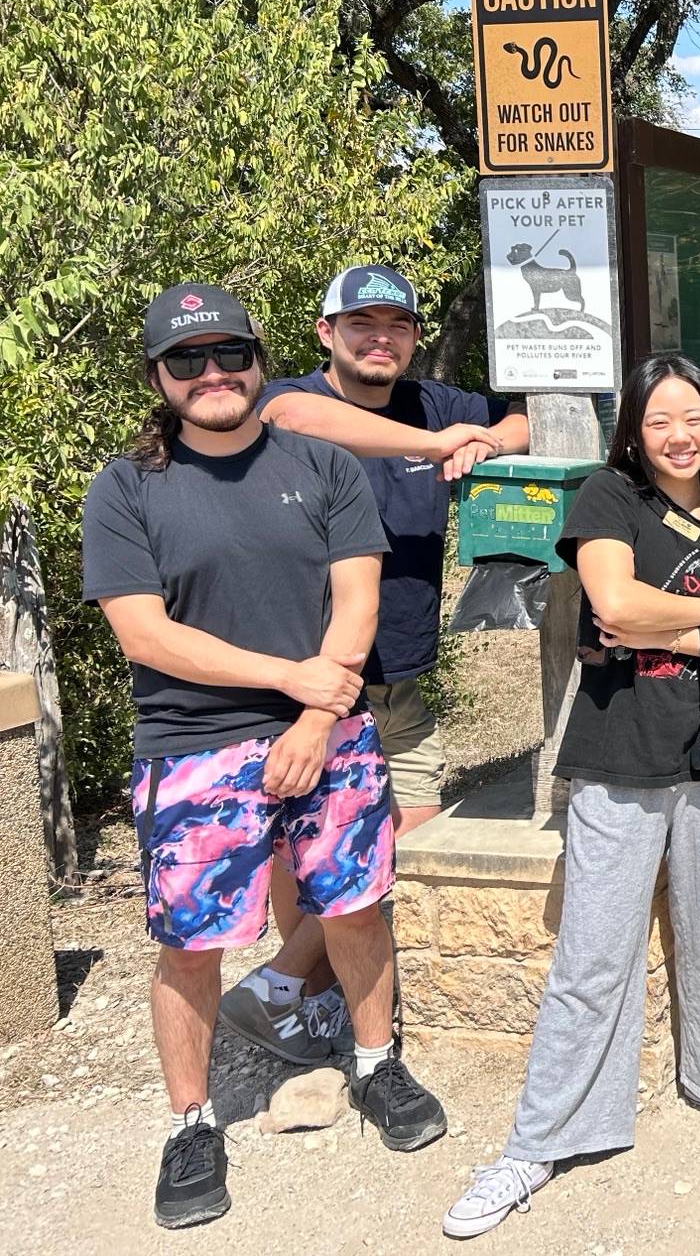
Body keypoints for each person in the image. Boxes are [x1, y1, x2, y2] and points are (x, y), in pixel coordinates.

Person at [82, 284, 447, 1231]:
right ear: (159, 378)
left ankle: (375, 1064)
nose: (213, 376)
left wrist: (315, 721)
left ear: (257, 356)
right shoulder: (127, 487)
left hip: (332, 733)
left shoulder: (321, 464)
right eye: (187, 361)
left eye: (229, 355)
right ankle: (191, 1124)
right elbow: (145, 635)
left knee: (358, 911)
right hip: (194, 748)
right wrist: (293, 682)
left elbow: (358, 603)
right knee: (191, 947)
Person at [443, 355, 700, 1239]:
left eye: (695, 417)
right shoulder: (609, 497)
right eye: (660, 419)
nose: (681, 435)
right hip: (617, 753)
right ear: (633, 428)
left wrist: (661, 616)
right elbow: (612, 605)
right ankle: (544, 1137)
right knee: (594, 953)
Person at [218, 263, 527, 1066]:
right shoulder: (290, 401)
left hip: (401, 679)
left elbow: (531, 420)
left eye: (397, 325)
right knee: (309, 858)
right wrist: (436, 446)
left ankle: (285, 988)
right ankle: (309, 1002)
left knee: (396, 848)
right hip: (314, 683)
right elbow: (294, 415)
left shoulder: (436, 401)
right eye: (363, 325)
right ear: (327, 334)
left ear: (415, 337)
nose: (380, 338)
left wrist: (486, 439)